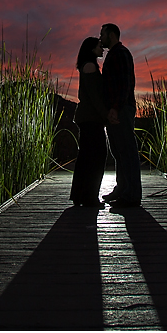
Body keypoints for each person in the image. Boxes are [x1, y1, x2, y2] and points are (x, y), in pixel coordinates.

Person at [99, 23, 141, 207]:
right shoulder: (114, 55)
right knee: (118, 151)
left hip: (121, 109)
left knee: (126, 150)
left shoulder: (121, 53)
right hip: (115, 109)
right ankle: (122, 188)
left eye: (103, 34)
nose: (100, 38)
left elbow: (124, 85)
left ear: (111, 34)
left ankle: (131, 194)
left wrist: (115, 108)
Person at [69, 36, 109, 208]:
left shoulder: (86, 65)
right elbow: (95, 97)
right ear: (92, 49)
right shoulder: (91, 66)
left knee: (86, 156)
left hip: (86, 118)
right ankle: (90, 196)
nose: (102, 49)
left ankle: (80, 195)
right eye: (99, 46)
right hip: (91, 118)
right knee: (97, 156)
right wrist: (106, 115)